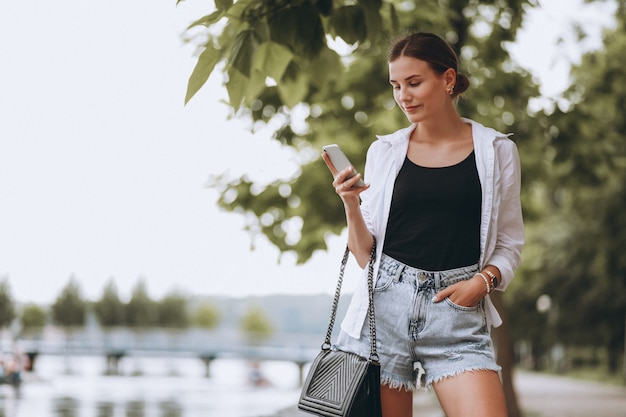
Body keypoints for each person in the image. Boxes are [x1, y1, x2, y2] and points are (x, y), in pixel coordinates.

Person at [322, 32, 524, 417]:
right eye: (396, 85)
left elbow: (511, 241)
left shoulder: (497, 152)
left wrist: (483, 282)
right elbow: (366, 254)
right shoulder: (385, 151)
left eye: (414, 83)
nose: (403, 96)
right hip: (383, 314)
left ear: (448, 79)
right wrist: (350, 202)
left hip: (458, 316)